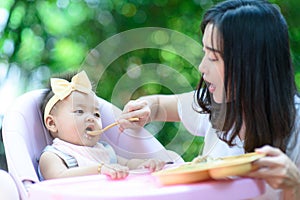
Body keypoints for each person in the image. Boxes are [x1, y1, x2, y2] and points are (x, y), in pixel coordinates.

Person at [118, 0, 300, 199]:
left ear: (251, 64)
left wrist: (294, 186)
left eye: (214, 58)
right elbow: (159, 105)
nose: (202, 67)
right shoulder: (214, 105)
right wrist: (145, 108)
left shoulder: (296, 125)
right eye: (205, 53)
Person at [38, 70, 165, 180]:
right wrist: (99, 170)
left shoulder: (104, 151)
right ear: (52, 123)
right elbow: (59, 177)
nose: (91, 118)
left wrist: (143, 164)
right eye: (79, 111)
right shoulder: (54, 155)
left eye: (96, 114)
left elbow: (127, 164)